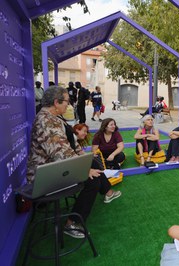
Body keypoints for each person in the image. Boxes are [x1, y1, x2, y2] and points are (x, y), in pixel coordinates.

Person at [26, 86, 121, 239]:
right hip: (44, 176)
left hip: (55, 168)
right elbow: (60, 153)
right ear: (56, 102)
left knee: (94, 163)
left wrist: (85, 158)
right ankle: (71, 223)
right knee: (93, 179)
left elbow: (71, 142)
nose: (68, 105)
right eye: (66, 102)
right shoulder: (46, 121)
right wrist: (84, 170)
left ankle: (107, 193)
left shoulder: (55, 117)